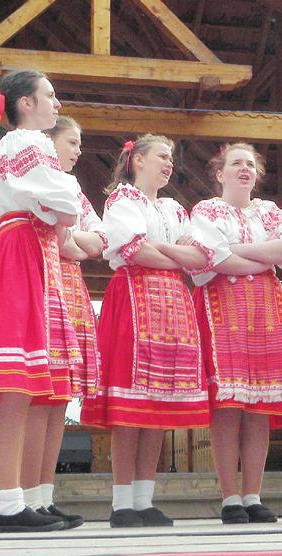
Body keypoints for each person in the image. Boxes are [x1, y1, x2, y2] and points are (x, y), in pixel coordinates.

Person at [0, 69, 81, 532]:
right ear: (25, 103)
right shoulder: (28, 143)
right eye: (49, 95)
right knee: (16, 381)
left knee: (22, 383)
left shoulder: (18, 146)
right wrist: (68, 204)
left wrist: (66, 208)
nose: (56, 102)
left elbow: (64, 208)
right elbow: (66, 202)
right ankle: (6, 502)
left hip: (30, 251)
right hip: (25, 251)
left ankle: (11, 499)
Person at [81, 134, 214, 528]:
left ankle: (144, 499)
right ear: (137, 160)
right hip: (135, 300)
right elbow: (132, 250)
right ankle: (123, 502)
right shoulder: (123, 200)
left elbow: (202, 257)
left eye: (171, 157)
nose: (169, 163)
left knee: (157, 404)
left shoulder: (173, 208)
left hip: (172, 305)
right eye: (162, 156)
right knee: (131, 405)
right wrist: (177, 255)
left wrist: (164, 251)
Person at [190, 143, 282, 524]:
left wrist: (235, 251)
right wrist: (262, 258)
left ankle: (253, 494)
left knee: (259, 407)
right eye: (236, 164)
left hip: (266, 308)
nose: (244, 169)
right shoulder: (205, 210)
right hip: (222, 308)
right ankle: (230, 497)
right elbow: (213, 256)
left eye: (250, 164)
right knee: (229, 407)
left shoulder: (270, 211)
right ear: (219, 173)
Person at [16, 116, 102, 530]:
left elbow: (96, 242)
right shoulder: (40, 179)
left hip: (70, 289)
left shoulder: (77, 193)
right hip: (43, 281)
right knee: (39, 395)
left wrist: (75, 243)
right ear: (50, 143)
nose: (78, 149)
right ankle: (25, 495)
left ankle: (44, 497)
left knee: (58, 399)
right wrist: (74, 242)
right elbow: (64, 238)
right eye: (72, 141)